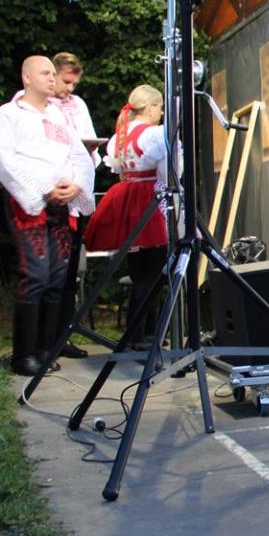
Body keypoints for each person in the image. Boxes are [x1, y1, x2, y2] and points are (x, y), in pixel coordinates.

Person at [0, 56, 95, 376]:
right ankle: (24, 354)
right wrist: (42, 189)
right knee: (35, 275)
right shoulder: (9, 115)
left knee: (57, 277)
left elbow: (79, 156)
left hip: (61, 205)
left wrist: (77, 185)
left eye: (52, 73)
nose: (51, 78)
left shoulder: (57, 116)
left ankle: (47, 348)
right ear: (27, 78)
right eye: (45, 73)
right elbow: (2, 159)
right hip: (29, 205)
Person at [84, 86, 169, 347]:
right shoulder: (154, 134)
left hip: (127, 201)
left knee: (140, 271)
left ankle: (146, 331)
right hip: (150, 200)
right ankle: (139, 333)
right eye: (160, 108)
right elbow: (168, 172)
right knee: (153, 272)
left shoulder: (118, 136)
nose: (161, 113)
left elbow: (118, 168)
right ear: (151, 108)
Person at [50, 52, 101, 358]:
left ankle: (63, 335)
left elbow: (88, 141)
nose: (69, 89)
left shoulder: (78, 105)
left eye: (74, 84)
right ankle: (44, 339)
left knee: (70, 269)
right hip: (52, 193)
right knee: (50, 270)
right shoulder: (42, 106)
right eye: (66, 81)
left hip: (76, 193)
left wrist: (89, 150)